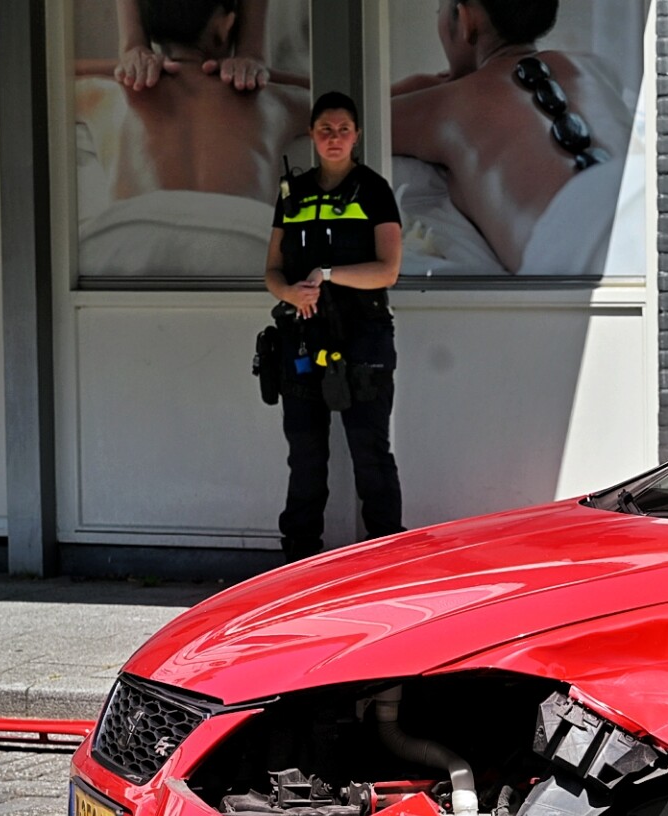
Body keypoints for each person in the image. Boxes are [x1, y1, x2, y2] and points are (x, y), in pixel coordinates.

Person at [264, 92, 406, 562]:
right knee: (305, 459)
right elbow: (272, 272)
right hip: (303, 339)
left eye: (344, 129)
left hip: (362, 339)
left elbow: (387, 270)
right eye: (325, 129)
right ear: (311, 134)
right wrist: (291, 294)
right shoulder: (293, 195)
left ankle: (384, 561)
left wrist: (326, 275)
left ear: (357, 136)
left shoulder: (375, 190)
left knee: (371, 455)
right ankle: (298, 564)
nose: (334, 138)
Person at [391, 0, 634, 274]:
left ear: (466, 19)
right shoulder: (595, 68)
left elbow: (354, 117)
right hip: (637, 198)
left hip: (574, 241)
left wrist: (427, 86)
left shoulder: (445, 104)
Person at [74, 0, 308, 277]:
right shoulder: (273, 100)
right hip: (247, 243)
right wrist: (264, 72)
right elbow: (342, 89)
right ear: (226, 24)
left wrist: (125, 60)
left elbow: (44, 74)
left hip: (132, 239)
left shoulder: (109, 94)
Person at [113, 0, 271, 92]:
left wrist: (250, 54)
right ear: (226, 24)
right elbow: (296, 89)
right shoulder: (278, 101)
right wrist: (133, 47)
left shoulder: (107, 93)